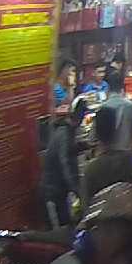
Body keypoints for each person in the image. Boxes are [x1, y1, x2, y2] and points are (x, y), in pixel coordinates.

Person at [40, 95, 90, 228]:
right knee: (62, 229)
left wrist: (79, 147)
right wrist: (76, 189)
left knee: (67, 223)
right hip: (53, 191)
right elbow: (65, 162)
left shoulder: (65, 129)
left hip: (58, 190)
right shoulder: (65, 132)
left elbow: (65, 151)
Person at [81, 104, 132, 209]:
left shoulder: (91, 170)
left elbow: (86, 208)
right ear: (115, 129)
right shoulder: (128, 159)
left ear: (96, 131)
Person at [101, 68, 132, 159]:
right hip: (127, 152)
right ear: (122, 87)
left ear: (108, 88)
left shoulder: (103, 107)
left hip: (109, 154)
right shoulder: (130, 105)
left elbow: (95, 135)